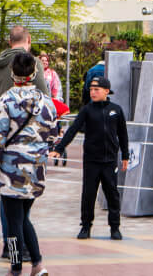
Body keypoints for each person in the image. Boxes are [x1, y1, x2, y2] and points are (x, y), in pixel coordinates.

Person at [0, 52, 57, 276]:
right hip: (36, 169)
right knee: (23, 217)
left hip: (11, 170)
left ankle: (15, 268)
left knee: (14, 222)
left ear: (13, 74)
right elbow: (52, 135)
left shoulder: (5, 100)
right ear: (34, 73)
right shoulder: (46, 101)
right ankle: (38, 264)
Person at [51, 77, 130, 240]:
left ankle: (115, 227)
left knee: (112, 194)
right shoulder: (87, 110)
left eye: (97, 89)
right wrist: (59, 148)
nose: (93, 92)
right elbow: (73, 130)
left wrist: (125, 155)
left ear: (106, 91)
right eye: (91, 89)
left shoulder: (116, 110)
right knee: (88, 194)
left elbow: (123, 134)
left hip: (110, 160)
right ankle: (85, 226)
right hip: (91, 160)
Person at [0, 27, 49, 116]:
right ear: (29, 39)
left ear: (9, 42)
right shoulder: (33, 63)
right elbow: (45, 98)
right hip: (25, 123)